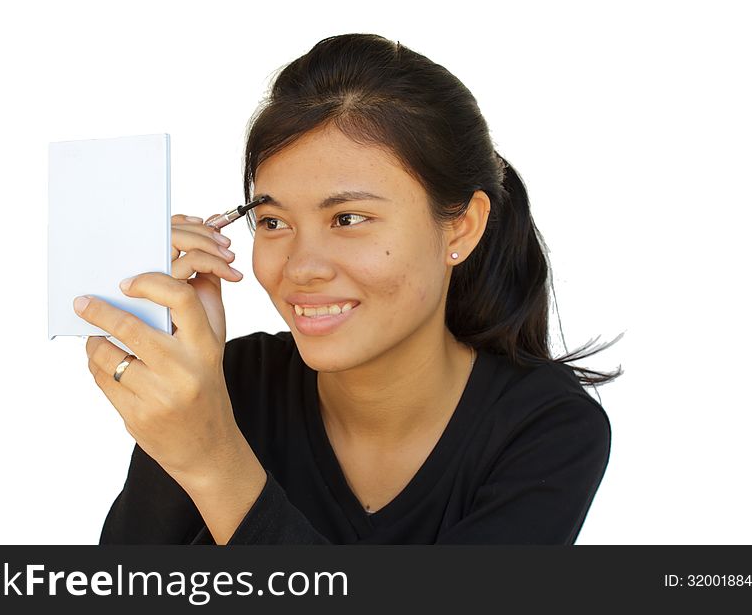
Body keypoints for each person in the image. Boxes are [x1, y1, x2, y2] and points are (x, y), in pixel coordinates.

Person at [81, 33, 621, 545]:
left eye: (348, 218)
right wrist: (187, 396)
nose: (301, 268)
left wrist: (211, 459)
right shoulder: (232, 385)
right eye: (272, 222)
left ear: (461, 227)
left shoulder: (547, 428)